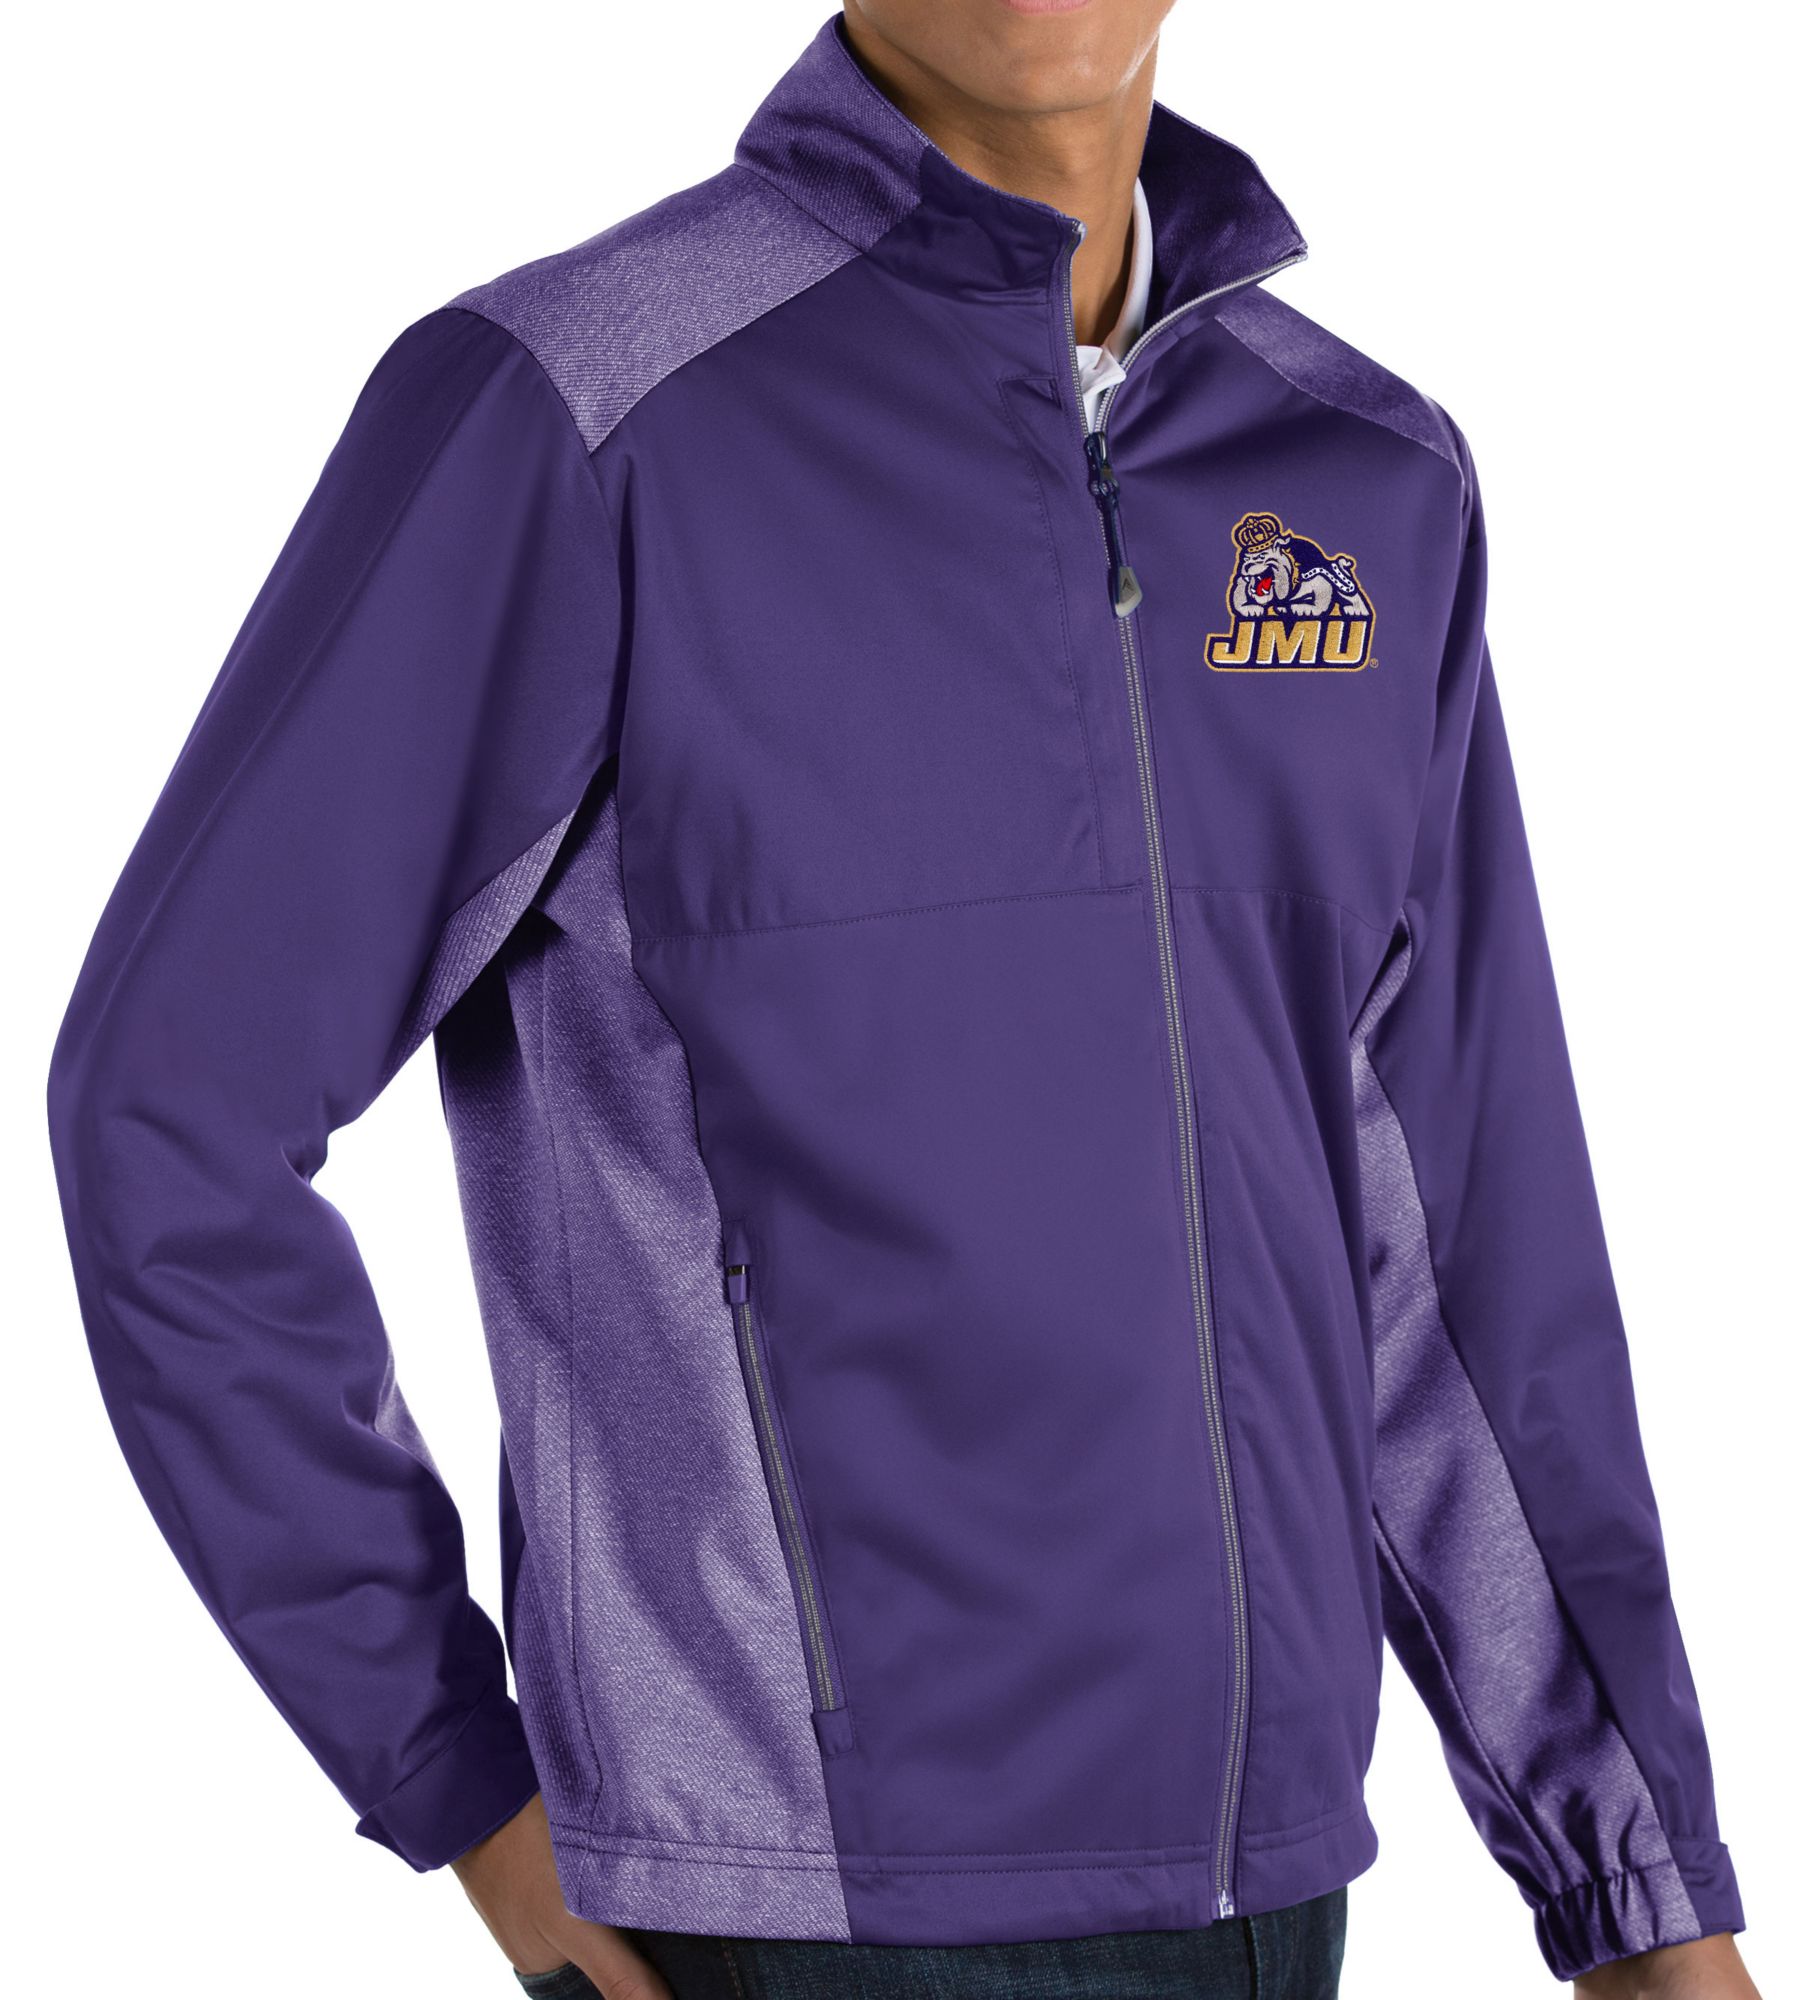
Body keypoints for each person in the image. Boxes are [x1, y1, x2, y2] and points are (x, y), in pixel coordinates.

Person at [45, 3, 1758, 1997]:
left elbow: (1460, 1253)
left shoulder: (1364, 476)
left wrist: (1641, 1890)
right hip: (787, 1921)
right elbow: (168, 1109)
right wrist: (461, 1780)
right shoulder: (581, 415)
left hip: (1268, 1900)